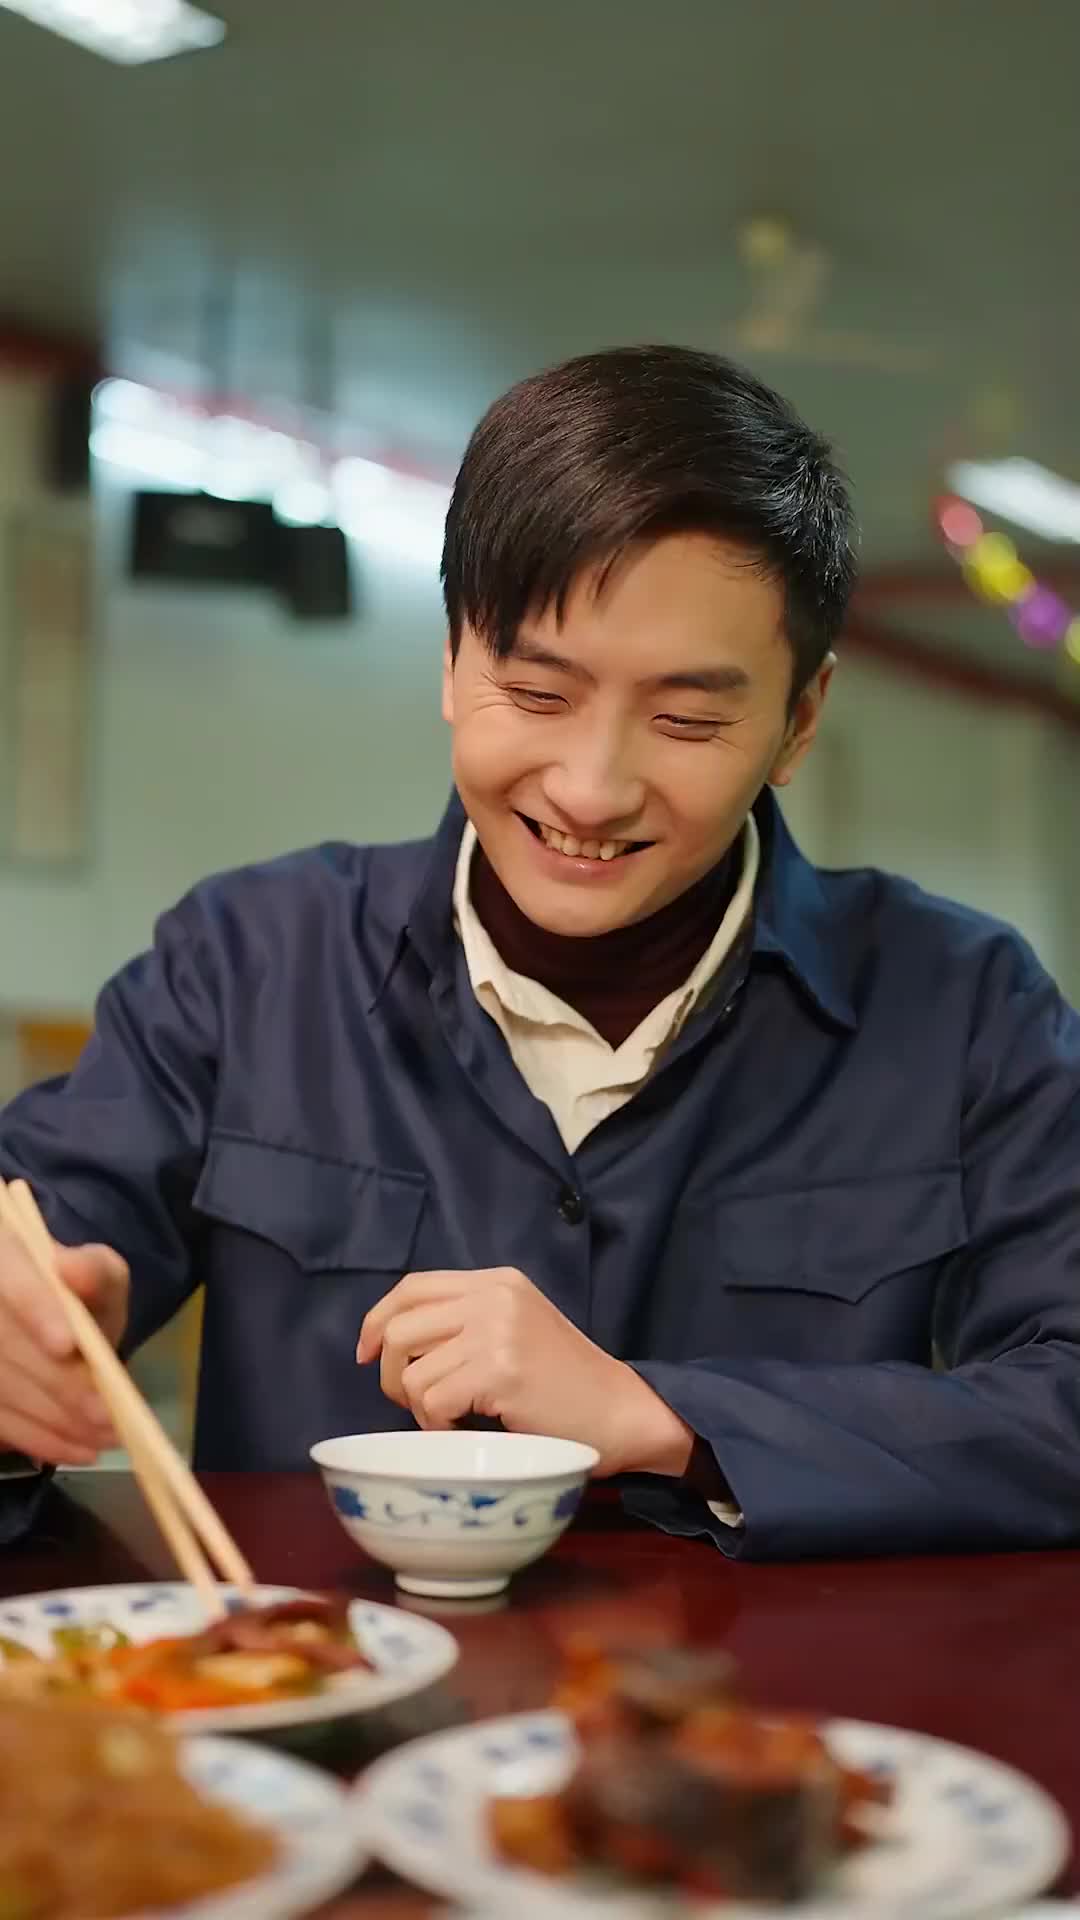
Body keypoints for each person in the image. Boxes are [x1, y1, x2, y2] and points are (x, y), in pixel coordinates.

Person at [2, 343, 1079, 1562]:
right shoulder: (245, 964)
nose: (591, 788)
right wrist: (20, 1336)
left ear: (800, 720)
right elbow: (39, 1238)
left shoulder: (967, 1012)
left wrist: (665, 1416)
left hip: (775, 1689)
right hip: (311, 1676)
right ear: (454, 662)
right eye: (538, 694)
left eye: (686, 719)